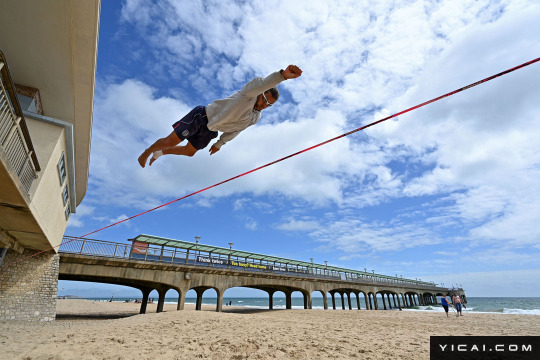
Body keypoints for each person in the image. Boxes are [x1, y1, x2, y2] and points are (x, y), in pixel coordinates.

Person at [138, 65, 303, 167]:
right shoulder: (249, 94)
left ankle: (160, 153)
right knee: (169, 142)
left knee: (189, 152)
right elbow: (264, 83)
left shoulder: (255, 117)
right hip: (202, 116)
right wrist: (282, 76)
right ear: (260, 93)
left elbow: (237, 130)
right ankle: (147, 151)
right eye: (265, 99)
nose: (264, 105)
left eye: (269, 105)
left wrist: (220, 143)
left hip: (211, 130)